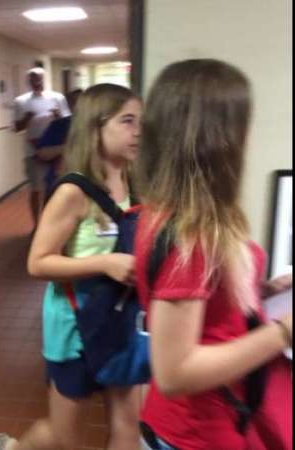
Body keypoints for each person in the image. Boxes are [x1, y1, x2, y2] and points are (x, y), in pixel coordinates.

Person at [134, 59, 293, 450]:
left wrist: (268, 290)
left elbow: (209, 309)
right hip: (197, 433)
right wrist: (285, 332)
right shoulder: (189, 236)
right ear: (219, 137)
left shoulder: (186, 216)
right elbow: (175, 372)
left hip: (214, 419)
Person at [0, 83, 143, 450]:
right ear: (95, 128)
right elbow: (38, 262)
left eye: (141, 121)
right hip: (74, 325)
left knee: (128, 427)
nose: (138, 131)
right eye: (127, 121)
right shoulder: (71, 191)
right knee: (64, 438)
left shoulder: (135, 183)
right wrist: (105, 262)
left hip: (120, 321)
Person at [14, 67, 70, 230]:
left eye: (39, 79)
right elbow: (18, 127)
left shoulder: (57, 97)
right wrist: (26, 118)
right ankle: (37, 225)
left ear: (44, 79)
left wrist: (57, 115)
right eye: (32, 79)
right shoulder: (21, 101)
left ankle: (53, 222)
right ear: (28, 81)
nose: (36, 82)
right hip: (33, 152)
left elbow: (67, 123)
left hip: (57, 151)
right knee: (36, 189)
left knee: (56, 188)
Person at [36, 88, 83, 196]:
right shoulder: (58, 126)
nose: (79, 106)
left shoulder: (97, 127)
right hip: (59, 183)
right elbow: (42, 153)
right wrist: (67, 147)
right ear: (69, 105)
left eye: (82, 102)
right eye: (74, 102)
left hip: (90, 185)